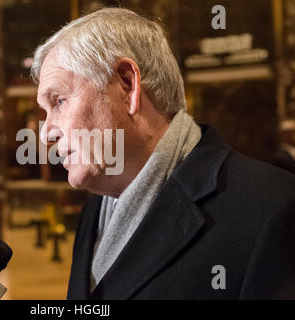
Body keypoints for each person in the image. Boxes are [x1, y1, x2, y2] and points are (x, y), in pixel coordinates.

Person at [31, 8, 295, 299]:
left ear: (127, 84)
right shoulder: (94, 210)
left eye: (59, 101)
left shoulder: (275, 209)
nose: (47, 133)